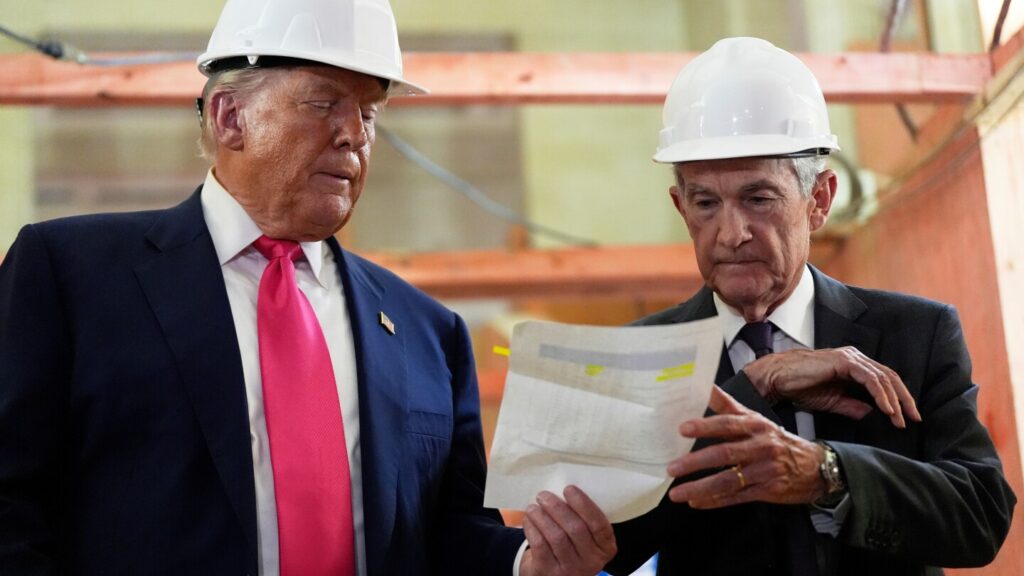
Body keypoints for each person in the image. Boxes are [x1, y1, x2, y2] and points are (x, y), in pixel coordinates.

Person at [0, 1, 616, 575]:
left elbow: (450, 535)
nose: (355, 135)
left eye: (369, 113)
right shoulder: (71, 277)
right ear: (229, 117)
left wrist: (528, 564)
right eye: (323, 104)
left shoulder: (429, 333)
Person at [604, 37, 1015, 576]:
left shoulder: (915, 333)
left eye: (758, 199)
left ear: (818, 200)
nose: (731, 233)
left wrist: (828, 473)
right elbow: (612, 541)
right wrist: (756, 385)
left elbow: (980, 513)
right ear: (681, 207)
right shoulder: (640, 354)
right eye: (706, 203)